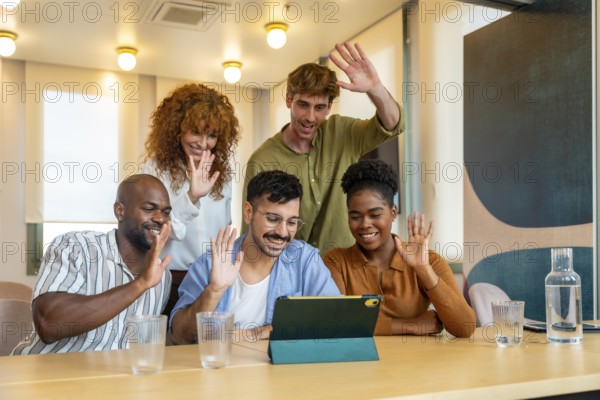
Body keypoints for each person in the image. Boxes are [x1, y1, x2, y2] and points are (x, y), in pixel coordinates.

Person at [243, 42, 404, 254]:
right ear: (289, 100)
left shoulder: (342, 132)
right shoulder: (263, 160)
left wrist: (376, 88)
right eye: (303, 105)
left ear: (329, 106)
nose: (310, 117)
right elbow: (252, 231)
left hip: (344, 269)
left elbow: (393, 124)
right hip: (291, 272)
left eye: (319, 108)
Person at [170, 170, 340, 344]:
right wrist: (214, 290)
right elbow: (179, 336)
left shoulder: (305, 259)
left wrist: (256, 333)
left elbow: (337, 322)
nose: (283, 232)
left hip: (279, 370)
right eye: (273, 219)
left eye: (291, 222)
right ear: (248, 212)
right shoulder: (210, 263)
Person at [12, 174, 173, 355]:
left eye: (166, 212)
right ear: (120, 211)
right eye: (149, 209)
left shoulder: (163, 276)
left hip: (105, 381)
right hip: (43, 377)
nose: (160, 219)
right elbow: (49, 325)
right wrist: (140, 284)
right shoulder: (75, 247)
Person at [323, 160, 476, 338]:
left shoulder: (429, 260)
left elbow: (465, 328)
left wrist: (423, 270)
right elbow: (334, 323)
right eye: (355, 216)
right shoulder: (336, 261)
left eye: (375, 215)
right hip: (360, 363)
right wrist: (409, 326)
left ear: (393, 212)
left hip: (415, 364)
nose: (365, 224)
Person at [142, 83, 241, 317]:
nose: (203, 143)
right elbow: (156, 232)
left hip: (211, 279)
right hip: (169, 280)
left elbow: (223, 230)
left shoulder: (221, 174)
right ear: (176, 128)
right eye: (196, 131)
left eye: (212, 135)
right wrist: (192, 196)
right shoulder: (155, 170)